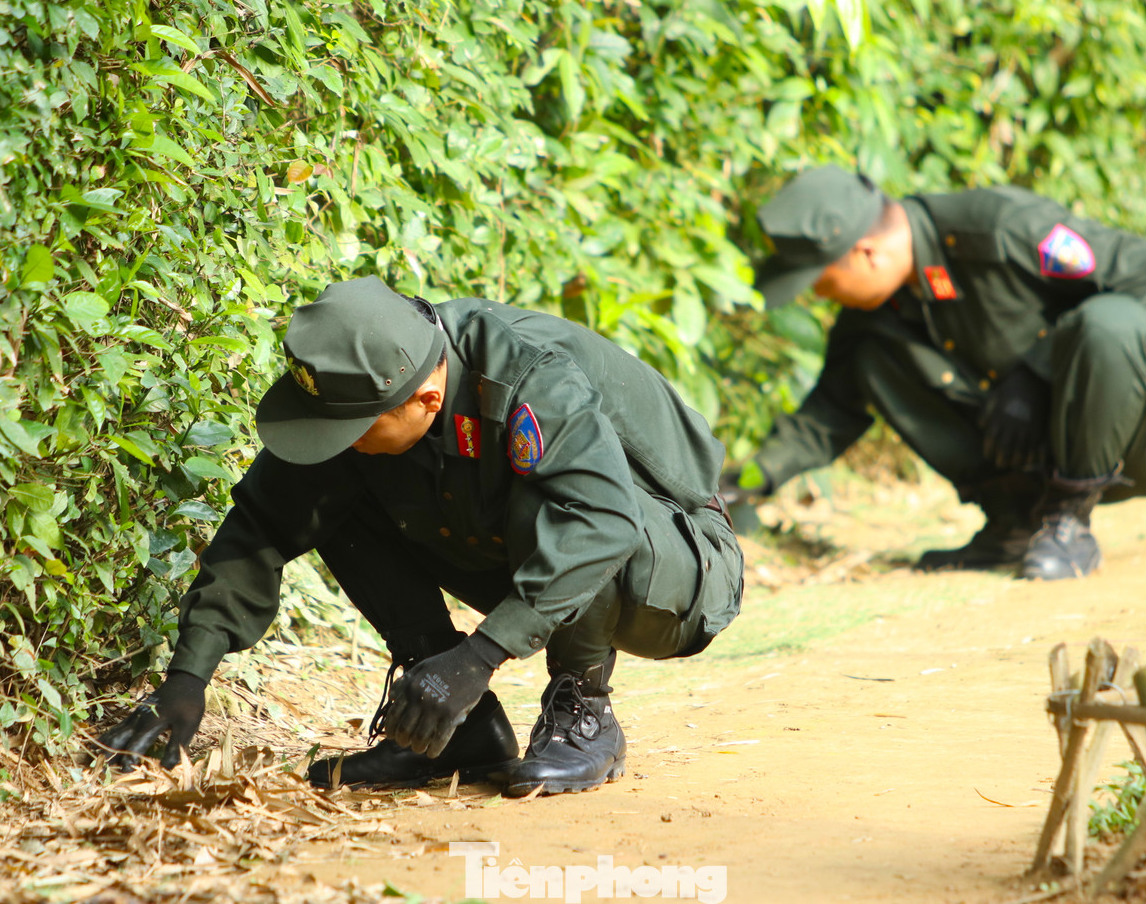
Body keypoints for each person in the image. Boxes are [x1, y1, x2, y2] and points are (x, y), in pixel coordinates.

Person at [96, 277, 744, 796]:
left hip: (678, 564)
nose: (338, 442)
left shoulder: (523, 379)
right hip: (563, 548)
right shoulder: (378, 375)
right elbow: (263, 524)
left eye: (351, 428)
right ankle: (453, 726)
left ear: (426, 402)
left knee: (552, 503)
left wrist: (479, 657)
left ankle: (584, 711)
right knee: (332, 496)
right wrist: (188, 677)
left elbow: (601, 522)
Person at [723, 165, 1146, 579]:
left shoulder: (999, 226)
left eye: (821, 281)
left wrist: (1035, 371)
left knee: (1107, 322)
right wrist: (747, 480)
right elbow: (829, 410)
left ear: (865, 253)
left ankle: (1068, 526)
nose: (818, 295)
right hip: (1049, 455)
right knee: (870, 355)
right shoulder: (876, 317)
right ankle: (1014, 524)